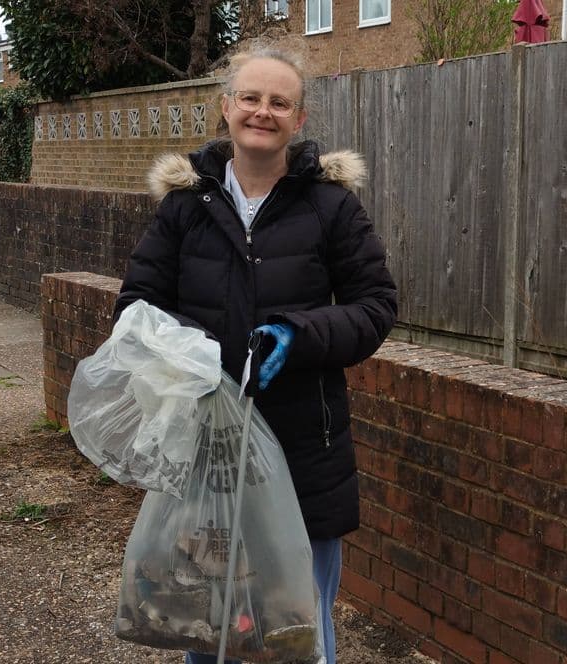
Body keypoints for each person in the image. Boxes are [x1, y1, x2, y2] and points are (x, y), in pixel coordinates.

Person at [114, 45, 397, 664]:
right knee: (205, 618)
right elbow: (138, 307)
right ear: (226, 108)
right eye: (250, 97)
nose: (262, 111)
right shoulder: (186, 207)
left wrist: (300, 335)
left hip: (304, 449)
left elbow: (376, 306)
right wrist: (192, 354)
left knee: (297, 626)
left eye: (279, 102)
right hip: (207, 451)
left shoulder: (332, 207)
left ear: (299, 119)